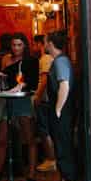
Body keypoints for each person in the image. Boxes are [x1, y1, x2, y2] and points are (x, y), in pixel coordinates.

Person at [0, 32, 40, 181]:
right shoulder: (6, 59)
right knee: (2, 139)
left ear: (25, 46)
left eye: (19, 45)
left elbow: (33, 82)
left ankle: (31, 176)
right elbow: (5, 80)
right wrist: (0, 75)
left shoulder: (31, 61)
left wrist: (22, 85)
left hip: (22, 100)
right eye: (14, 45)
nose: (16, 48)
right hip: (7, 100)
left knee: (29, 138)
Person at [44, 31, 78, 181]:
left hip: (62, 111)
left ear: (50, 43)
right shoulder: (60, 61)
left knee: (64, 147)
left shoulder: (60, 62)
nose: (44, 44)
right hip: (62, 110)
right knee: (60, 146)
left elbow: (64, 85)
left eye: (45, 41)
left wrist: (58, 109)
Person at [31, 34, 58, 173]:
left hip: (45, 99)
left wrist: (37, 96)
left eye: (34, 44)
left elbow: (44, 80)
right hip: (47, 99)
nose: (33, 47)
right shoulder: (46, 59)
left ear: (40, 44)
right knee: (45, 129)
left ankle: (51, 159)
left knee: (44, 130)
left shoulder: (45, 59)